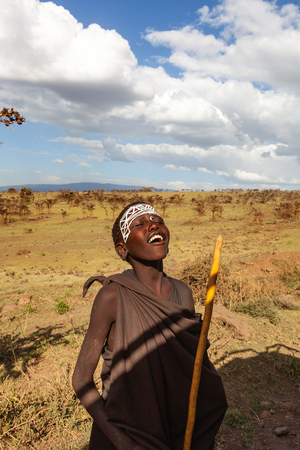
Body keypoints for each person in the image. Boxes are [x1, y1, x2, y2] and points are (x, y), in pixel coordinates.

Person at [72, 202, 227, 450]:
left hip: (176, 428)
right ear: (122, 250)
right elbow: (81, 380)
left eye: (158, 220)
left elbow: (187, 367)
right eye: (139, 224)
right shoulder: (112, 297)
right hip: (127, 432)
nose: (153, 224)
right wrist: (123, 442)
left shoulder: (183, 293)